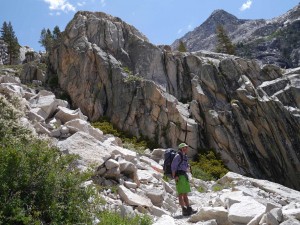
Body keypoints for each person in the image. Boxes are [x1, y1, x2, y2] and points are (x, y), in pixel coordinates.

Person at [171, 143, 197, 216]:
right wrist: (175, 176)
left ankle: (188, 208)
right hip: (179, 176)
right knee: (180, 194)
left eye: (186, 147)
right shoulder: (178, 156)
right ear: (181, 148)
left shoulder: (184, 156)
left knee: (185, 193)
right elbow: (173, 167)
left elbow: (185, 165)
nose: (186, 149)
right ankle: (183, 209)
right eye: (184, 147)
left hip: (184, 176)